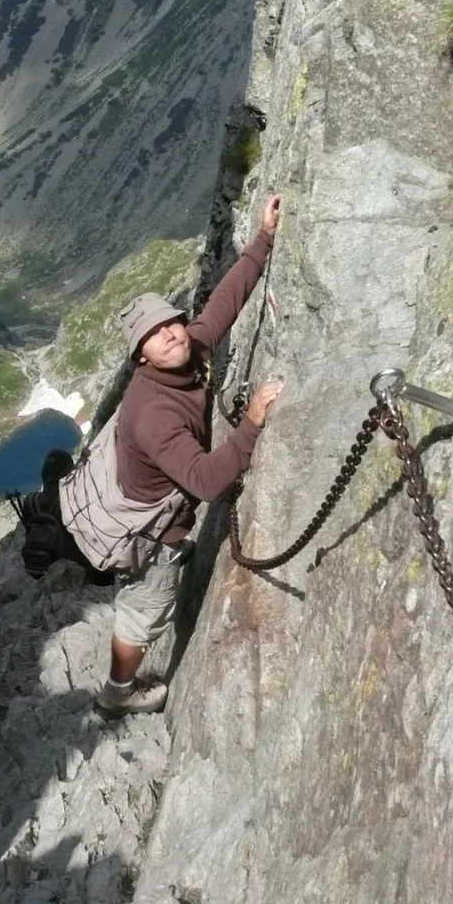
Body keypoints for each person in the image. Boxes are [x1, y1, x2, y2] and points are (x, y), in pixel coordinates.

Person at [93, 194, 285, 716]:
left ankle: (118, 680)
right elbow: (203, 481)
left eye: (170, 323)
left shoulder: (184, 353)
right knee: (144, 611)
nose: (169, 334)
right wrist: (250, 427)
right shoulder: (154, 411)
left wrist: (263, 241)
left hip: (149, 507)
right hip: (152, 535)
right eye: (153, 335)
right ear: (140, 357)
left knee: (143, 605)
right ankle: (116, 695)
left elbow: (222, 306)